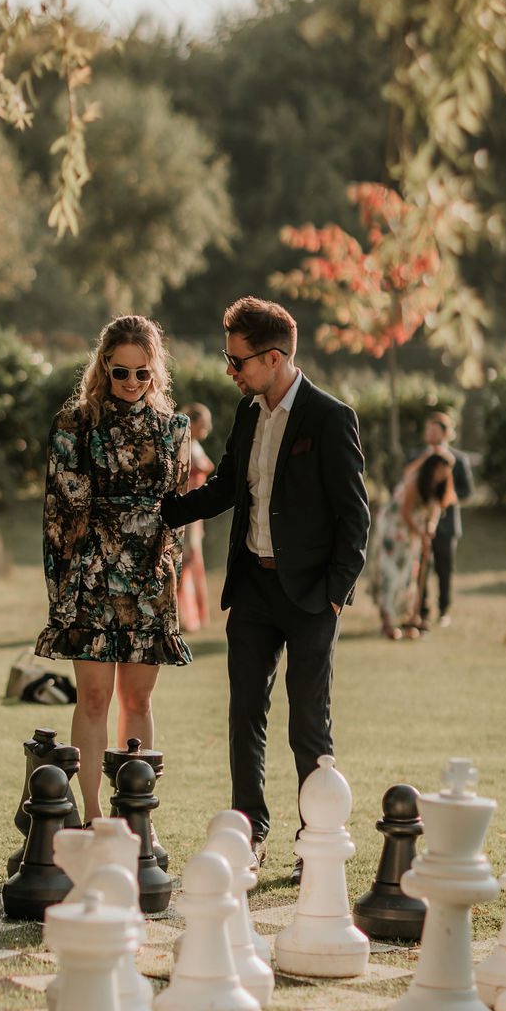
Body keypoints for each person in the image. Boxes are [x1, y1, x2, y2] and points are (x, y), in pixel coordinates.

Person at [161, 296, 370, 883]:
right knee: (244, 714)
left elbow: (356, 518)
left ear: (274, 358)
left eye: (239, 361)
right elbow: (227, 488)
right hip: (252, 590)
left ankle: (316, 837)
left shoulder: (331, 418)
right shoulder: (249, 413)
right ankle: (249, 832)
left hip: (311, 599)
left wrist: (335, 595)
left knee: (309, 721)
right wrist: (160, 512)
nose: (231, 371)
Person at [35, 314, 191, 825]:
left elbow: (179, 511)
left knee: (138, 700)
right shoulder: (75, 424)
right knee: (95, 697)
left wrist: (171, 574)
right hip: (92, 576)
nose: (130, 382)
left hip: (149, 581)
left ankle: (133, 815)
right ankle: (91, 814)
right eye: (119, 371)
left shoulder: (174, 429)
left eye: (141, 373)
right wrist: (61, 592)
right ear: (103, 366)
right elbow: (59, 512)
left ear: (155, 372)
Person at [370, 453, 457, 640]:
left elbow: (435, 508)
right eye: (441, 469)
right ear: (432, 467)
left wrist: (430, 529)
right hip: (394, 531)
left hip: (412, 535)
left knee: (409, 576)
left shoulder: (440, 486)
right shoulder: (416, 481)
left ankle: (408, 618)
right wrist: (421, 533)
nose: (444, 474)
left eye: (447, 471)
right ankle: (387, 622)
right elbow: (405, 511)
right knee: (391, 574)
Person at [410, 412, 473, 628]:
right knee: (420, 568)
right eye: (428, 429)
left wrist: (447, 497)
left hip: (447, 525)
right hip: (419, 524)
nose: (431, 434)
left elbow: (467, 491)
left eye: (436, 430)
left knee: (445, 569)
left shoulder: (459, 460)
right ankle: (422, 610)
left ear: (446, 433)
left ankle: (444, 610)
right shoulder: (416, 456)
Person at [176, 402, 215, 632]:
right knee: (185, 562)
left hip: (196, 514)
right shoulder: (185, 447)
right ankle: (181, 615)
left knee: (192, 563)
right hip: (188, 510)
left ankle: (191, 616)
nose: (207, 428)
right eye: (204, 424)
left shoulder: (196, 445)